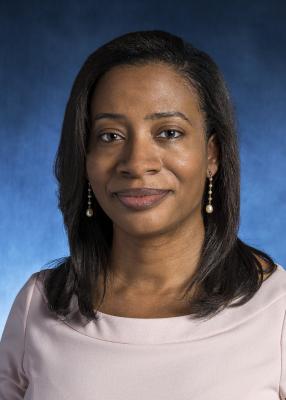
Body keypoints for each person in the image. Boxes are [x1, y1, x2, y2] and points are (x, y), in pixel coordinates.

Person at [0, 29, 285, 400]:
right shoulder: (39, 305)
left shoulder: (277, 311)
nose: (137, 163)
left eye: (168, 132)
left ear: (212, 155)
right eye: (110, 136)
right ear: (85, 159)